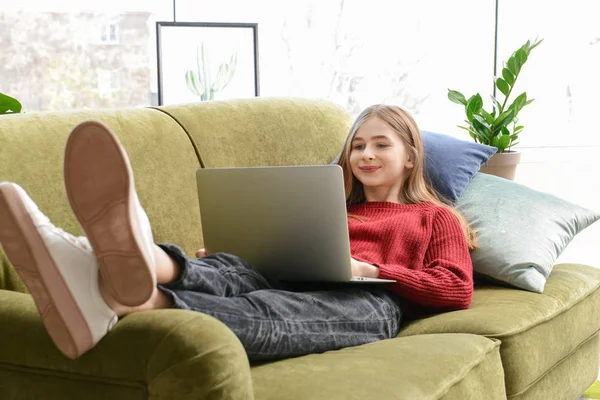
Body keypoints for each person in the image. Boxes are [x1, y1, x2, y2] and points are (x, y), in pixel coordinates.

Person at [0, 104, 477, 361]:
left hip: (367, 303)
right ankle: (139, 262)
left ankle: (104, 286)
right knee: (231, 266)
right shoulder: (328, 208)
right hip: (286, 272)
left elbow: (456, 289)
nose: (365, 155)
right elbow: (262, 259)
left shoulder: (434, 218)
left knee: (269, 308)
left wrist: (368, 268)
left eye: (380, 145)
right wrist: (244, 247)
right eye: (357, 146)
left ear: (411, 156)